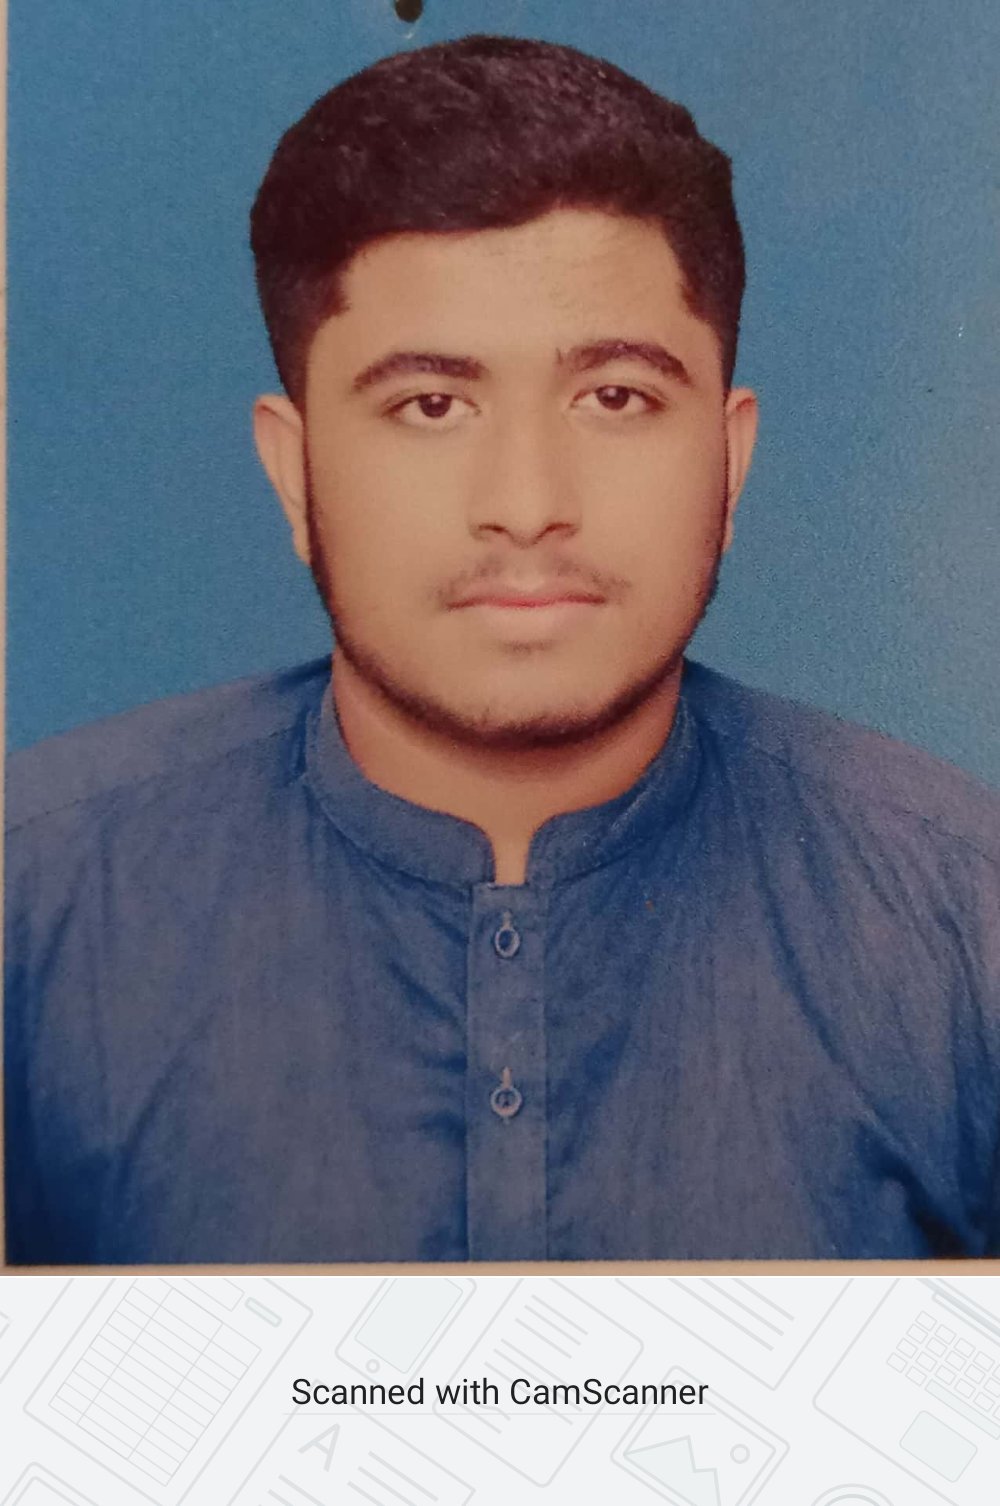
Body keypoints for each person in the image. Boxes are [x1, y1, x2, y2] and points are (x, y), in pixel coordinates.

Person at [5, 34, 999, 1266]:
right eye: (431, 406)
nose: (526, 505)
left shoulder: (965, 923)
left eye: (615, 397)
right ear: (294, 471)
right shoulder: (33, 908)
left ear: (729, 458)